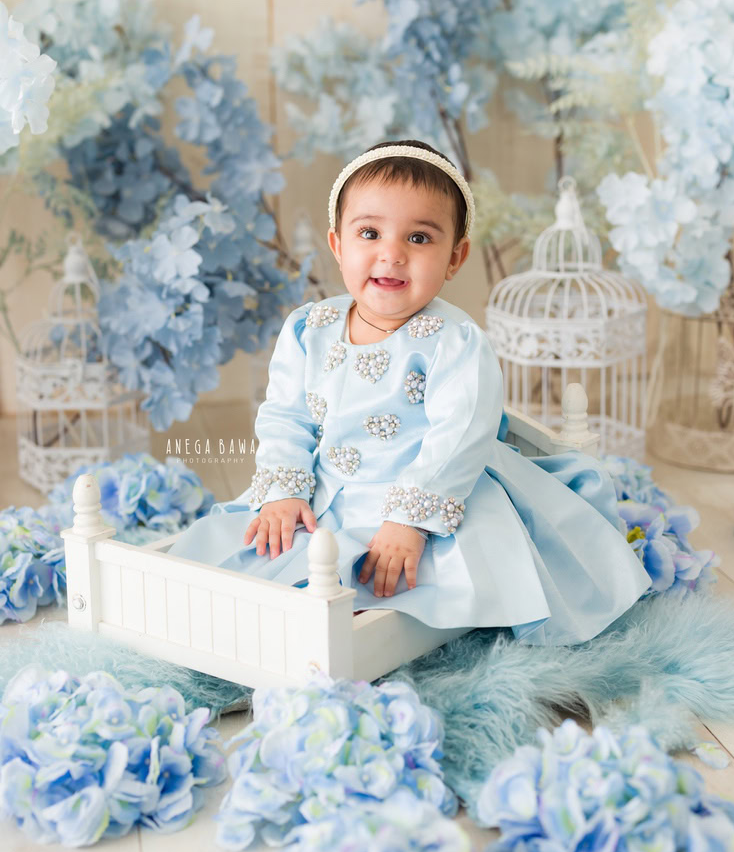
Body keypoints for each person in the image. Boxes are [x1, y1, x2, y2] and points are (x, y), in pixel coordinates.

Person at [169, 140, 650, 644]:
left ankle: (385, 628)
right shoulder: (309, 328)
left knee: (426, 570)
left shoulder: (454, 340)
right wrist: (287, 489)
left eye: (419, 238)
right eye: (370, 232)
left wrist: (409, 520)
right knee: (265, 549)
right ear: (338, 245)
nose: (392, 254)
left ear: (454, 257)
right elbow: (286, 416)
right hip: (331, 485)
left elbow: (461, 433)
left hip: (429, 485)